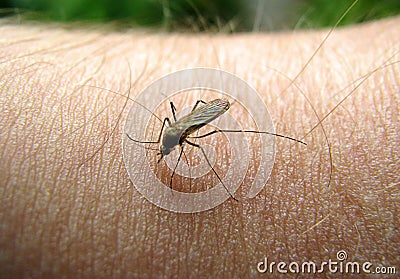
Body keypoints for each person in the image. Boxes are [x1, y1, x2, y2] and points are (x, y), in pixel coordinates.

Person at [0, 15, 398, 278]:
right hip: (183, 124)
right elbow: (169, 133)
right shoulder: (169, 134)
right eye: (165, 146)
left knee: (206, 142)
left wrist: (178, 143)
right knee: (180, 124)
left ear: (171, 141)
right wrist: (165, 144)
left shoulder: (176, 134)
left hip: (198, 118)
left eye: (166, 146)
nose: (166, 148)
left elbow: (177, 134)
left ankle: (264, 134)